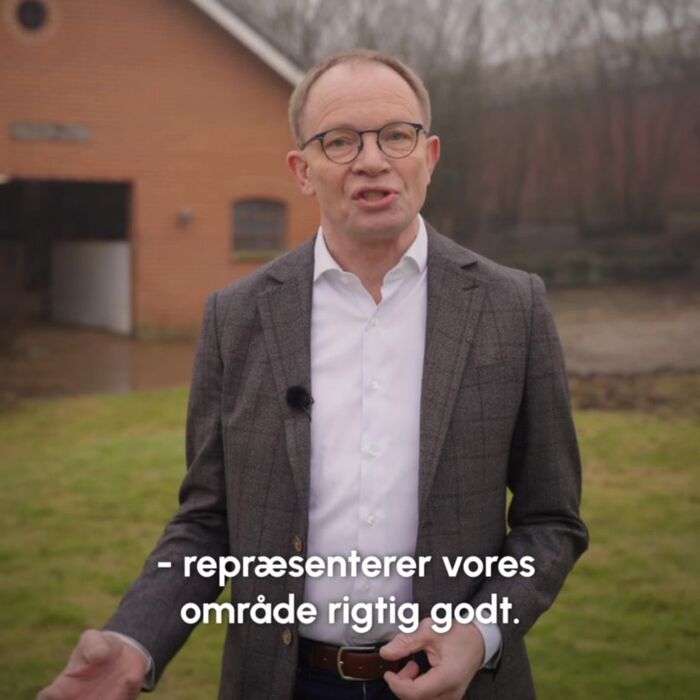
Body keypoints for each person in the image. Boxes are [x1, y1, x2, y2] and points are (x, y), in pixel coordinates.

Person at [38, 49, 588, 700]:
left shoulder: (513, 307)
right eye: (340, 141)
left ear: (430, 155)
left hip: (463, 687)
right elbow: (208, 523)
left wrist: (481, 630)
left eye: (396, 135)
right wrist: (135, 640)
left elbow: (551, 521)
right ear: (302, 170)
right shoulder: (236, 318)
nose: (372, 160)